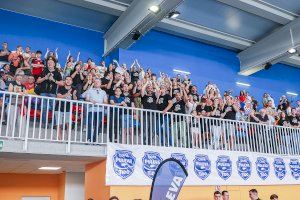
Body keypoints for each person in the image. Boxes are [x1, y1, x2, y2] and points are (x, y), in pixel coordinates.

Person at [36, 57, 63, 125]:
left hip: (53, 94)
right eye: (48, 63)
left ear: (54, 64)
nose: (49, 64)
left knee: (54, 109)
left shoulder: (57, 72)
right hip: (43, 93)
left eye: (51, 63)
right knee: (43, 108)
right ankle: (44, 124)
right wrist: (45, 78)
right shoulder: (44, 71)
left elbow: (62, 83)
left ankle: (54, 124)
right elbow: (38, 81)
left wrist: (53, 80)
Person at [82, 78, 108, 143]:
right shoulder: (90, 90)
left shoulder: (103, 92)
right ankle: (88, 139)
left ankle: (94, 140)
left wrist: (99, 103)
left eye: (98, 82)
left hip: (100, 110)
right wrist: (90, 100)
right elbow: (87, 99)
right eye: (95, 82)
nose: (96, 83)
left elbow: (105, 102)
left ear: (100, 83)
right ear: (93, 83)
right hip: (91, 110)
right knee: (90, 124)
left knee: (98, 125)